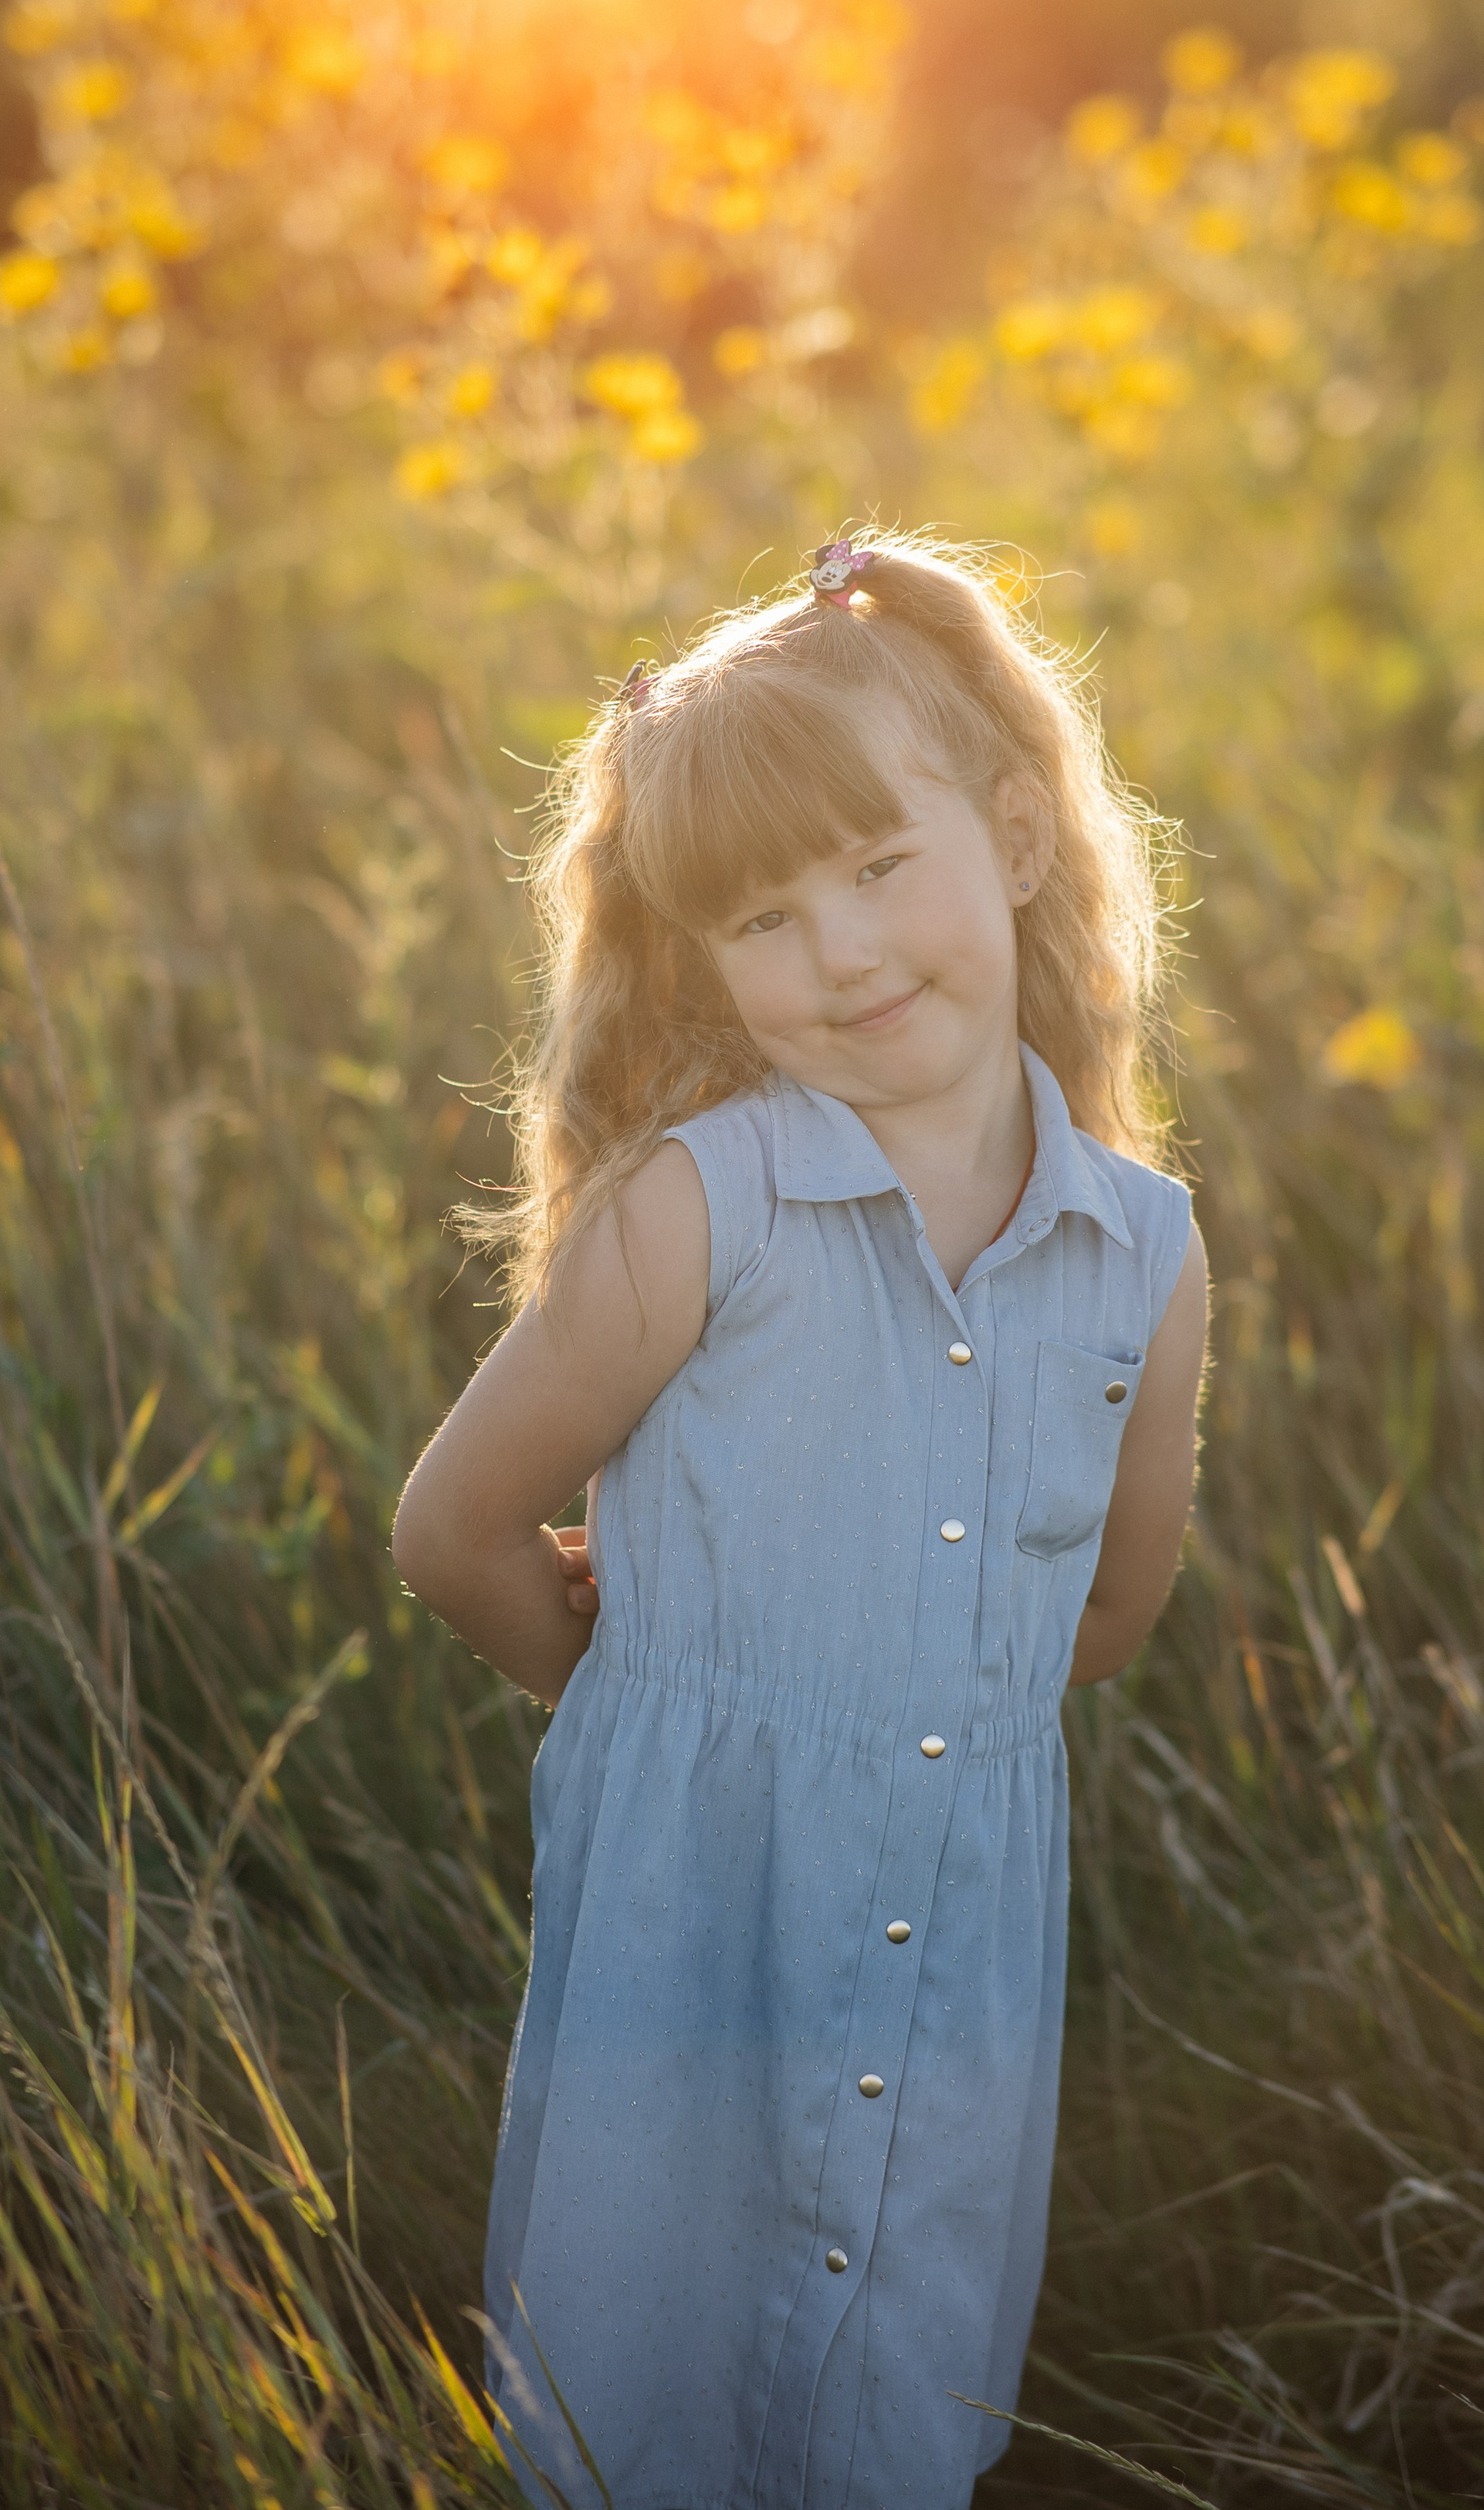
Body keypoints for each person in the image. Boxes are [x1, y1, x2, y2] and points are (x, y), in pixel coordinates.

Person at [390, 532, 1208, 2510]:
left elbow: (1104, 1605)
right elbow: (459, 1524)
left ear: (1015, 835)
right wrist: (647, 1691)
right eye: (763, 920)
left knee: (894, 2388)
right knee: (639, 2376)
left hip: (960, 1921)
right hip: (694, 1900)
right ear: (704, 959)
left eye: (875, 869)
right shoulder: (700, 1210)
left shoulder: (1141, 1251)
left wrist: (934, 1681)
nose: (838, 954)